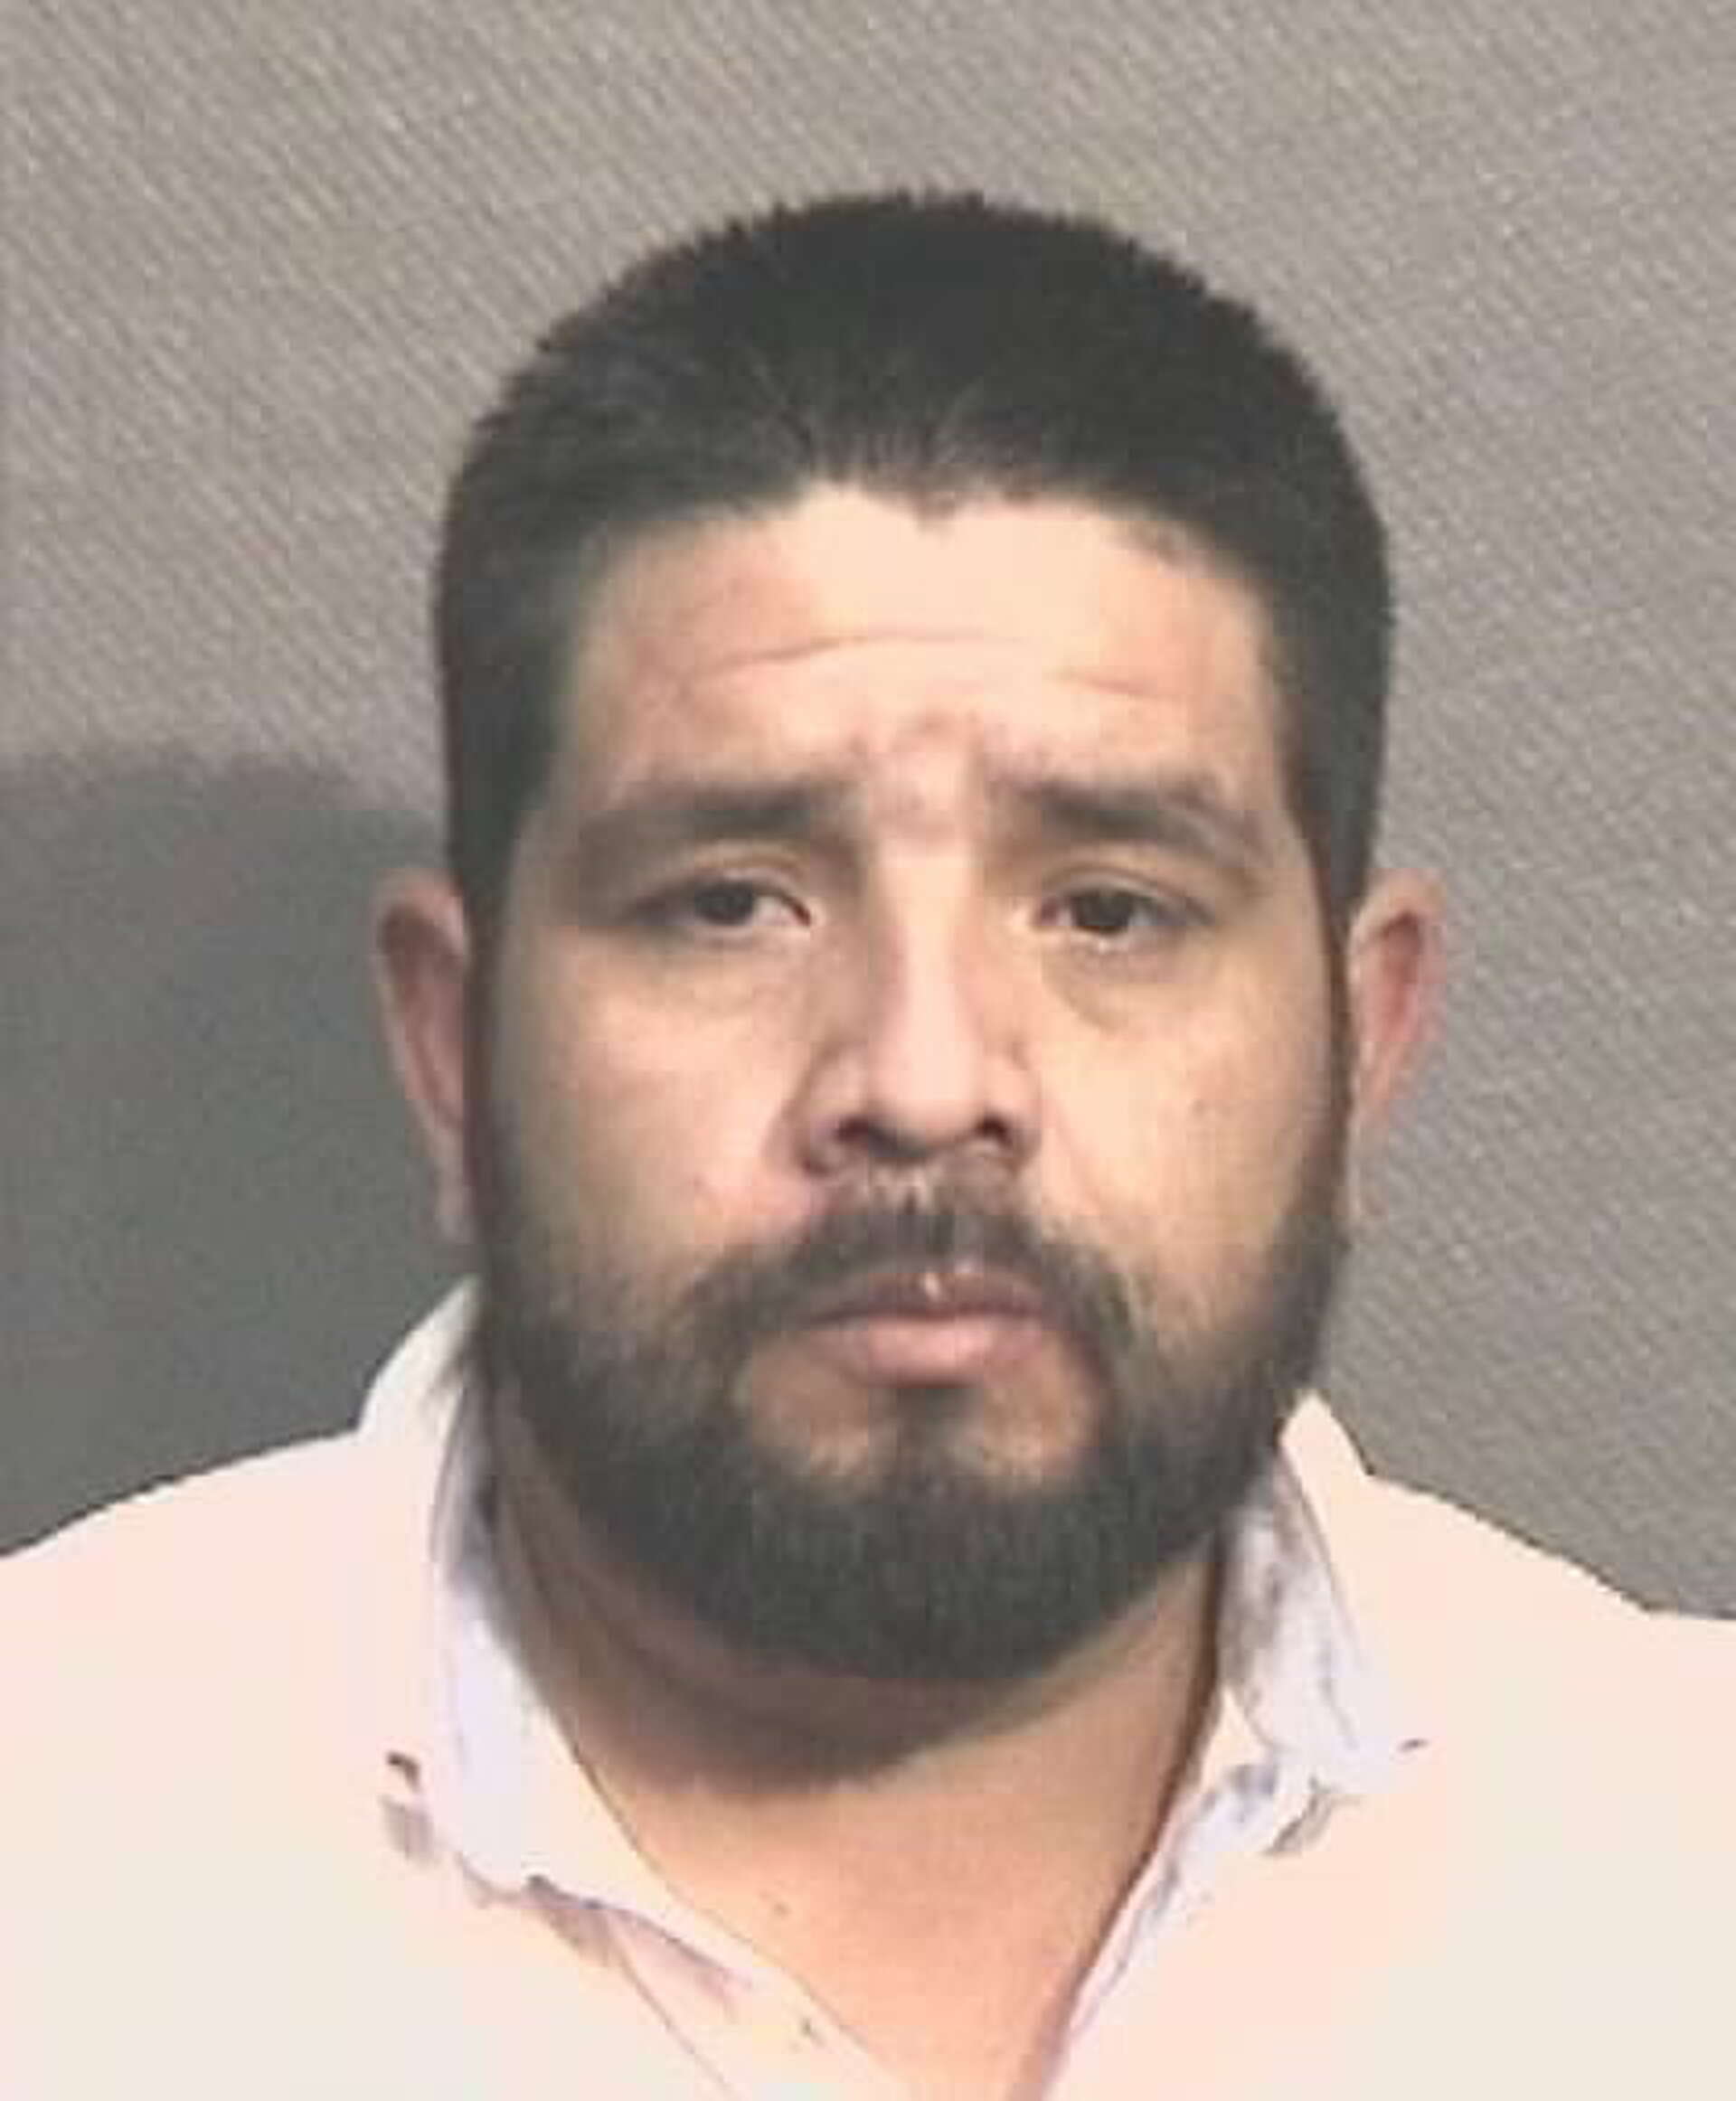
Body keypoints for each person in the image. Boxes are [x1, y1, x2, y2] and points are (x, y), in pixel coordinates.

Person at [5, 192, 1728, 2100]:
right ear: (450, 1050)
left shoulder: (1681, 1883)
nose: (921, 1080)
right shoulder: (50, 1863)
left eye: (1110, 910)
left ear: (1365, 1042)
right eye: (731, 903)